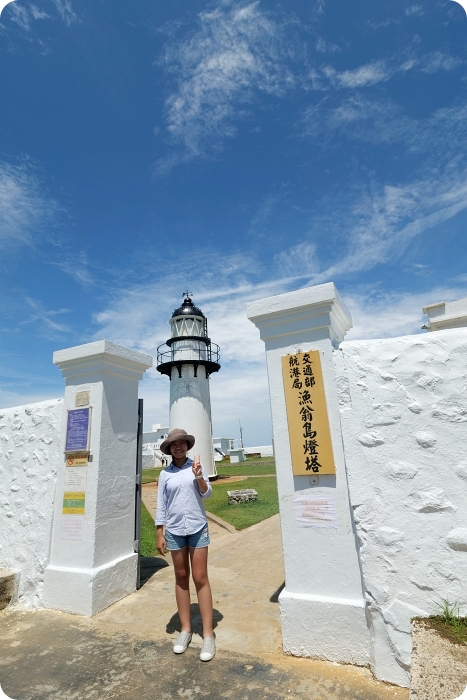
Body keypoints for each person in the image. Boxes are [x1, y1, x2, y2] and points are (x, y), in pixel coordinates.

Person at [155, 428, 215, 662]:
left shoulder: (196, 467)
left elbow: (208, 495)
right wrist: (160, 532)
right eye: (173, 444)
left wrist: (199, 476)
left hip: (198, 528)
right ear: (169, 449)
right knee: (181, 577)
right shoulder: (164, 474)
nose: (178, 447)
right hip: (176, 531)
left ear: (187, 446)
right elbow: (161, 504)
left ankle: (208, 634)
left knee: (200, 577)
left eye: (181, 443)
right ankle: (185, 630)